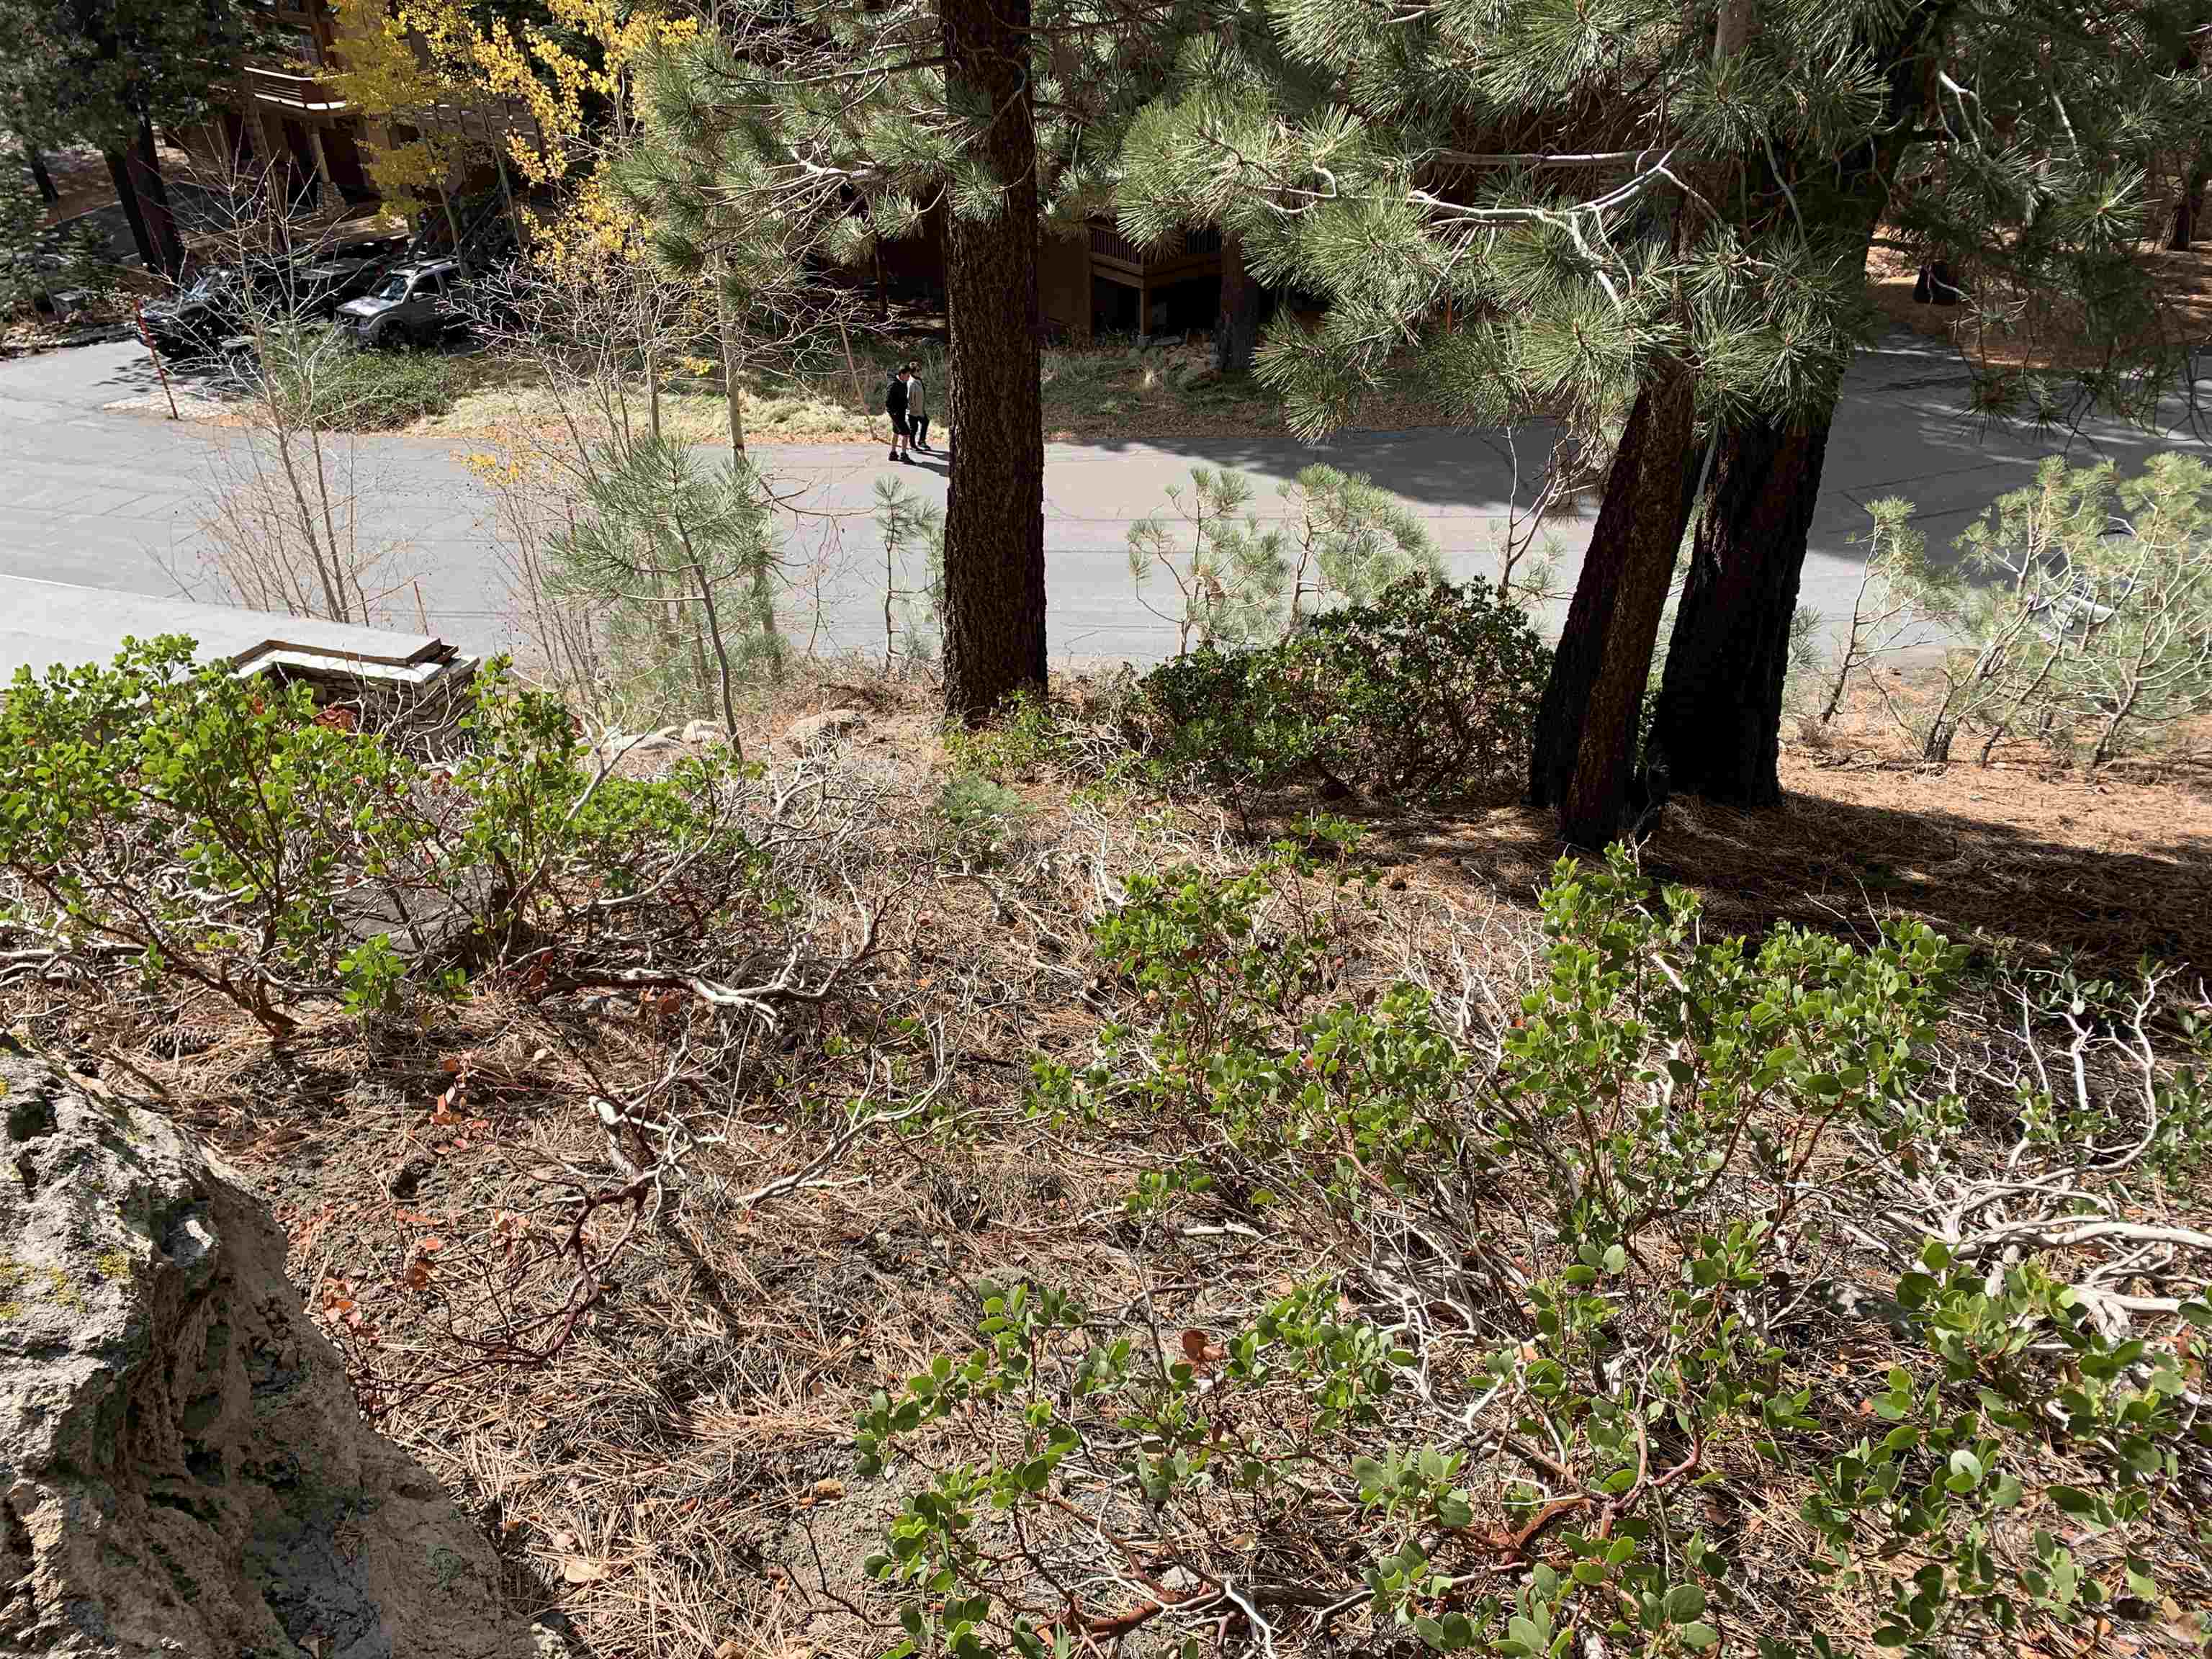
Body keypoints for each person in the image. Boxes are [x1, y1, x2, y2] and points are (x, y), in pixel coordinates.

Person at [884, 364, 913, 464]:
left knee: (896, 432)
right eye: (908, 376)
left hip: (901, 413)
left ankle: (893, 454)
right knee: (906, 433)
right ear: (901, 374)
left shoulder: (903, 382)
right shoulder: (893, 385)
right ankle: (904, 455)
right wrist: (894, 414)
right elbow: (888, 403)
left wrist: (906, 404)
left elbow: (903, 397)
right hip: (896, 414)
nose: (909, 378)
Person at [907, 365, 931, 451]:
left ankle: (921, 441)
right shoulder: (912, 382)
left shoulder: (918, 380)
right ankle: (912, 446)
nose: (920, 372)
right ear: (912, 372)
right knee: (914, 428)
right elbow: (909, 398)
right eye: (918, 370)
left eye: (920, 370)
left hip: (920, 409)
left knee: (925, 422)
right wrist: (914, 409)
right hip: (913, 410)